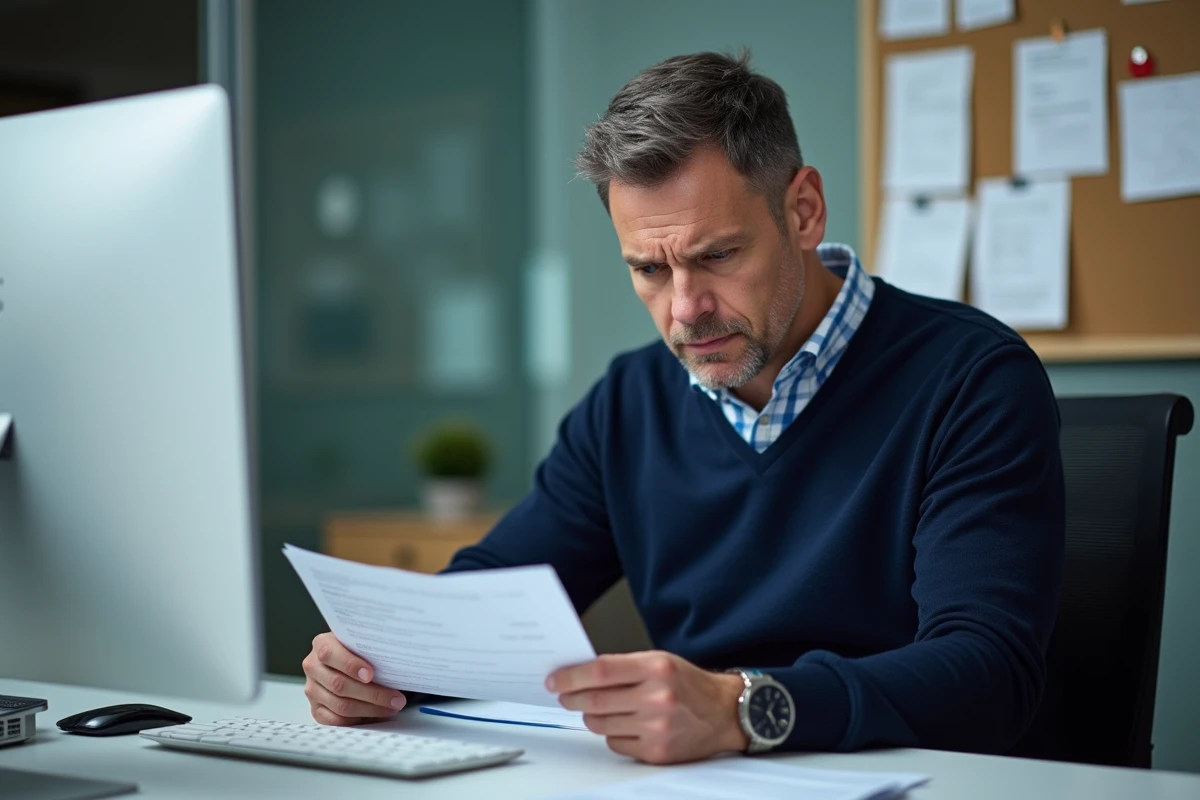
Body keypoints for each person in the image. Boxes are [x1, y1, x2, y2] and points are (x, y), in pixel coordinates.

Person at [302, 50, 1065, 766]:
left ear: (802, 212)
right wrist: (381, 661)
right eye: (649, 269)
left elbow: (988, 674)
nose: (686, 311)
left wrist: (742, 709)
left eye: (718, 256)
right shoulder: (628, 404)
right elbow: (495, 592)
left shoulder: (970, 378)